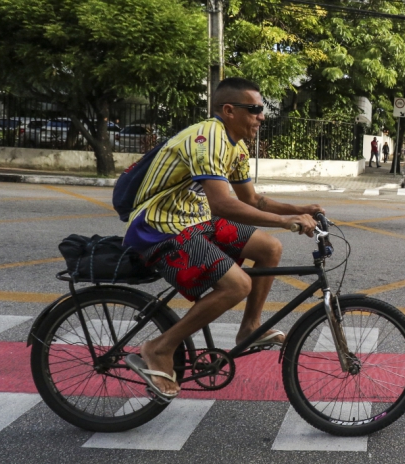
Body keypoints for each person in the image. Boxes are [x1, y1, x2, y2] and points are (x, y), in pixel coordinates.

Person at [122, 77, 321, 399]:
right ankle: (159, 348)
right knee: (237, 285)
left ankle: (250, 327)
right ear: (229, 110)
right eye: (255, 109)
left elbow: (252, 201)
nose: (262, 116)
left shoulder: (236, 146)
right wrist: (285, 220)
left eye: (262, 109)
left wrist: (299, 208)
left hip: (192, 221)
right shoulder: (208, 138)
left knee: (269, 247)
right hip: (160, 226)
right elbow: (223, 205)